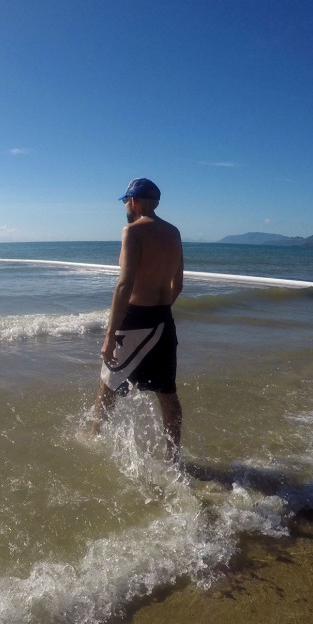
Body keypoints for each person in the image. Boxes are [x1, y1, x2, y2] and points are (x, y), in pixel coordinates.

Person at [92, 178, 184, 461]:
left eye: (126, 202)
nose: (126, 207)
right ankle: (173, 455)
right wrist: (160, 311)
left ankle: (93, 436)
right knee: (167, 392)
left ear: (134, 201)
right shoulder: (173, 232)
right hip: (163, 319)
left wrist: (109, 336)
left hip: (135, 321)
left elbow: (124, 284)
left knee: (107, 383)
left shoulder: (132, 231)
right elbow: (177, 283)